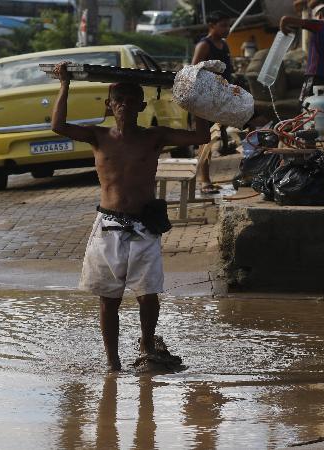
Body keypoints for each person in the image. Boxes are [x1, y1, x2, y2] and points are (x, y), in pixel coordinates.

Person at [50, 61, 211, 372]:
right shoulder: (97, 136)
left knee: (148, 295)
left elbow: (200, 136)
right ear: (109, 106)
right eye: (118, 100)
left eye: (130, 100)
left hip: (144, 227)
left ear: (141, 105)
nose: (124, 105)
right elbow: (58, 126)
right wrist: (64, 84)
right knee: (109, 299)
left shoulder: (154, 137)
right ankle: (112, 363)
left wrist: (196, 94)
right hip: (107, 226)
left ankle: (148, 346)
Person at [192, 10, 234, 195]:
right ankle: (204, 180)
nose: (227, 28)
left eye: (228, 24)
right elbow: (193, 72)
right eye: (223, 25)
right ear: (212, 26)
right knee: (205, 140)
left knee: (217, 135)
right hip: (203, 99)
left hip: (220, 97)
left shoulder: (224, 45)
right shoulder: (204, 45)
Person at [280, 4, 324, 102]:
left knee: (305, 109)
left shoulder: (320, 25)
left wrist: (284, 31)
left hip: (315, 78)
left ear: (320, 16)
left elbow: (285, 20)